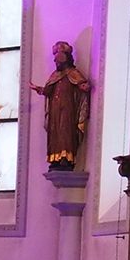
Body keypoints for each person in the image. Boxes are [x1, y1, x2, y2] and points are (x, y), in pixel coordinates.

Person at [29, 40, 91, 171]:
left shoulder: (73, 73)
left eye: (58, 61)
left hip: (68, 109)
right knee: (55, 133)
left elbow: (82, 85)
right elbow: (48, 90)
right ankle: (55, 159)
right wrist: (38, 89)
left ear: (66, 60)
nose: (56, 63)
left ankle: (66, 158)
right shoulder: (54, 75)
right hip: (55, 111)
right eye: (56, 61)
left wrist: (84, 86)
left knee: (66, 132)